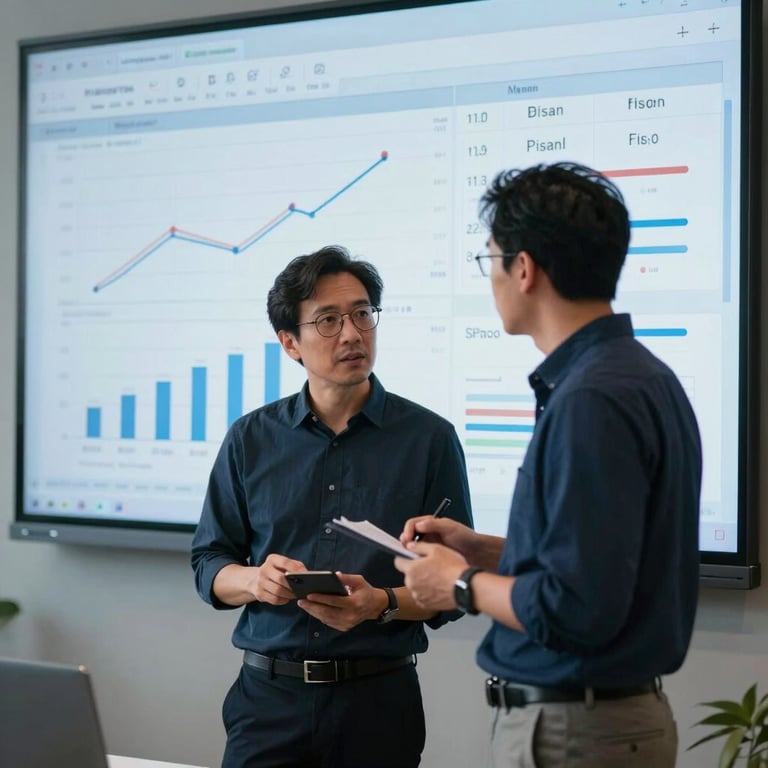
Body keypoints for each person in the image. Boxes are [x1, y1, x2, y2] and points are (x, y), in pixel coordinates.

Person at [395, 162, 702, 768]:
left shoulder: (591, 398)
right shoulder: (641, 377)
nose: (493, 281)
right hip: (597, 726)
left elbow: (577, 607)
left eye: (491, 262)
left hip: (575, 736)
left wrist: (456, 584)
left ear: (525, 269)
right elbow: (604, 562)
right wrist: (483, 550)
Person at [190, 244, 473, 768]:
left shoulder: (429, 439)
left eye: (362, 314)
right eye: (327, 320)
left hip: (378, 703)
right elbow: (208, 563)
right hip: (267, 700)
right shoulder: (250, 438)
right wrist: (256, 581)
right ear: (289, 343)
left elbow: (455, 587)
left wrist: (380, 602)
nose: (351, 333)